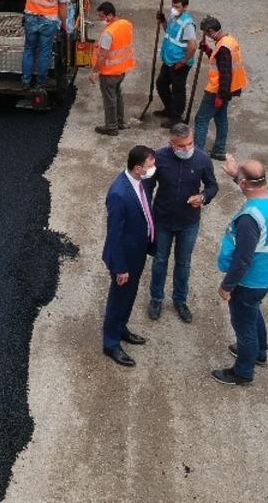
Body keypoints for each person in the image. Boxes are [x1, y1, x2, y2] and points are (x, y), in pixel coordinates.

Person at [212, 155, 268, 386]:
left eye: (241, 181)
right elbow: (253, 187)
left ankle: (243, 372)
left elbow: (243, 259)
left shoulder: (249, 219)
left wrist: (227, 286)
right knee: (253, 311)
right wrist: (238, 175)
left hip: (250, 280)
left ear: (245, 184)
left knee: (243, 325)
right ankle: (260, 352)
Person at [143, 123, 218, 323]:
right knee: (160, 260)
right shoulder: (158, 158)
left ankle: (180, 301)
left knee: (183, 263)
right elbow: (147, 187)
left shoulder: (202, 159)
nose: (187, 149)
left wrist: (203, 197)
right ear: (171, 144)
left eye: (190, 144)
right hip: (163, 220)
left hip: (189, 222)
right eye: (181, 146)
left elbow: (212, 186)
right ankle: (156, 299)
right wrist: (147, 215)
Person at [101, 144, 156, 368]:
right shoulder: (119, 194)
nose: (154, 168)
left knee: (129, 294)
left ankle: (121, 328)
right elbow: (114, 235)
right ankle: (111, 343)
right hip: (124, 257)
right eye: (150, 165)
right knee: (119, 298)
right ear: (137, 168)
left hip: (138, 251)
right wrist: (120, 267)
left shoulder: (138, 182)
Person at [193, 16, 248, 161]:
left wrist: (220, 96)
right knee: (220, 118)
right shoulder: (228, 41)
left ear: (211, 31)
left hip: (217, 89)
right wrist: (208, 50)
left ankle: (198, 153)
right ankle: (219, 149)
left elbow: (225, 74)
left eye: (206, 33)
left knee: (201, 119)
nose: (206, 36)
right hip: (227, 89)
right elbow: (221, 62)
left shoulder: (223, 47)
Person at [21, 0, 71, 90]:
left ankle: (25, 81)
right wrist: (63, 23)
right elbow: (63, 6)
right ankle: (41, 81)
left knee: (29, 49)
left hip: (30, 16)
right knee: (44, 52)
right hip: (48, 21)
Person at [90, 1, 135, 137]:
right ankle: (120, 122)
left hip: (109, 73)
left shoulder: (108, 34)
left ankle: (111, 127)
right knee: (117, 96)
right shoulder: (125, 24)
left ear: (109, 15)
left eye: (102, 16)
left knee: (109, 99)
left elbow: (103, 56)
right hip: (121, 70)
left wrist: (94, 72)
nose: (100, 19)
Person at [155, 0, 197, 125]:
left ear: (185, 7)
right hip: (169, 59)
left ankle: (176, 118)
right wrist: (163, 21)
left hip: (179, 63)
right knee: (161, 84)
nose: (174, 9)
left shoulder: (188, 24)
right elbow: (169, 32)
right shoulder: (173, 17)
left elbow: (193, 47)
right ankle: (169, 109)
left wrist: (183, 61)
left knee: (178, 90)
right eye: (173, 6)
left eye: (177, 7)